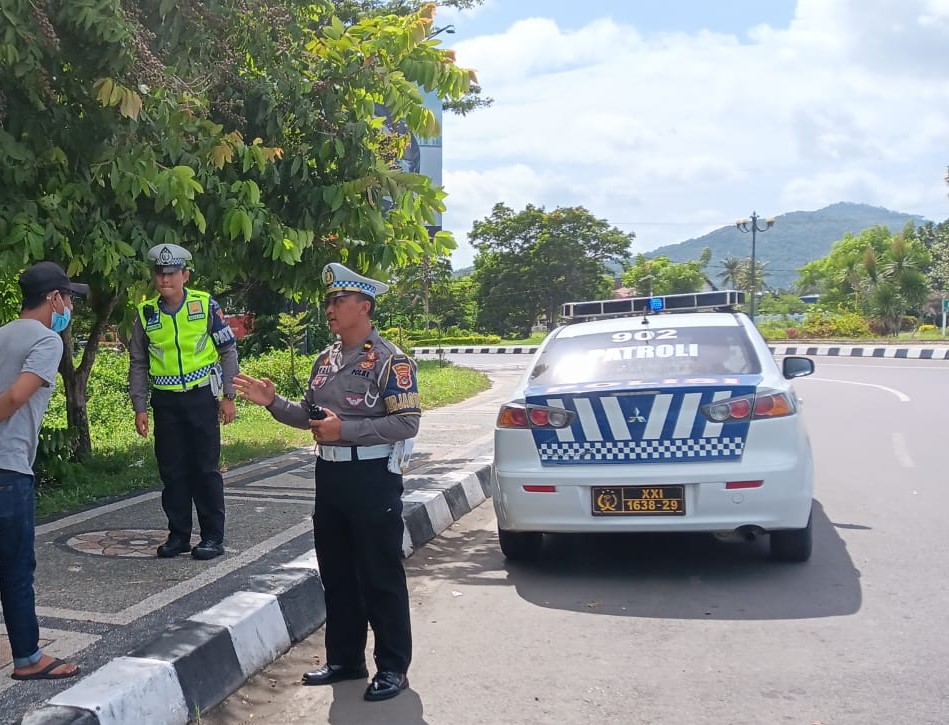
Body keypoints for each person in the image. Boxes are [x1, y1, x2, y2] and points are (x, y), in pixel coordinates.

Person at [233, 262, 420, 702]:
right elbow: (310, 416)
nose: (330, 309)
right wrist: (273, 403)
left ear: (364, 306)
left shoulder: (391, 361)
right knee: (336, 572)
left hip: (372, 476)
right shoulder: (325, 359)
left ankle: (393, 667)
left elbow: (407, 423)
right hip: (330, 474)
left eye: (339, 301)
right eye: (328, 302)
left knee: (379, 574)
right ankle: (345, 659)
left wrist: (347, 432)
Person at [0, 261, 85, 681]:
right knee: (15, 568)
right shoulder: (47, 340)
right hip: (8, 471)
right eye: (69, 298)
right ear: (55, 298)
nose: (70, 306)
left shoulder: (1, 335)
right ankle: (29, 658)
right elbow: (15, 397)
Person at [128, 244, 239, 561]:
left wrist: (229, 395)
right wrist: (140, 407)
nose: (165, 280)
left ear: (185, 275)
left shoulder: (204, 305)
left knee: (205, 468)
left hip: (201, 396)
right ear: (154, 277)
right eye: (160, 274)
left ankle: (212, 537)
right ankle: (178, 535)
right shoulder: (146, 313)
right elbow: (138, 362)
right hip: (165, 402)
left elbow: (227, 350)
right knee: (172, 470)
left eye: (172, 273)